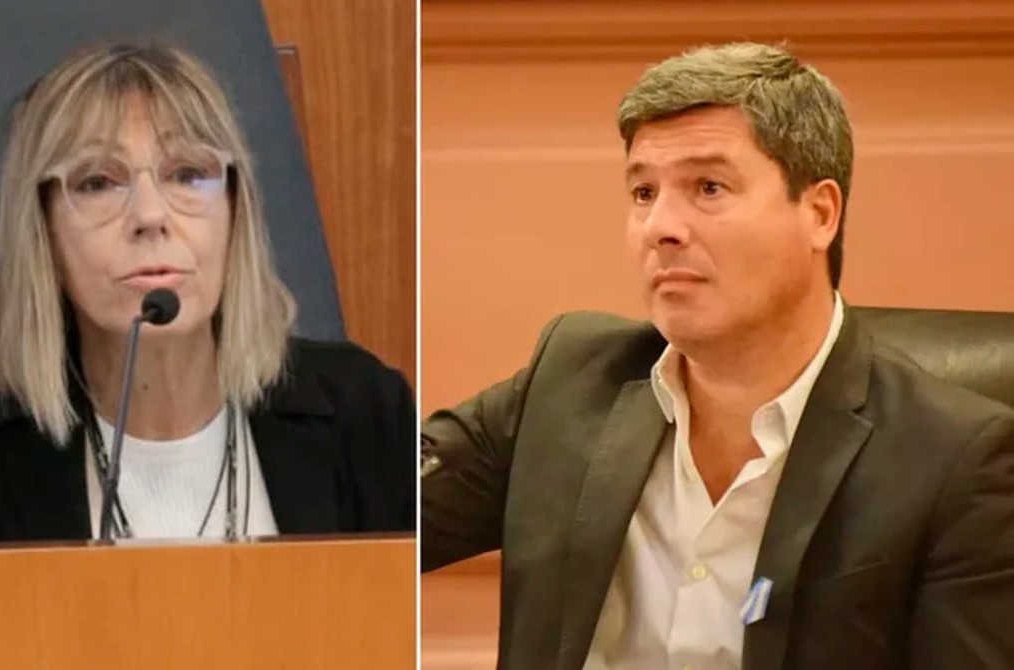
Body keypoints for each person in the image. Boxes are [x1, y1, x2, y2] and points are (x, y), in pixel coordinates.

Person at [421, 42, 1014, 669]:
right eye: (643, 192)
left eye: (708, 187)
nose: (661, 227)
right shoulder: (571, 381)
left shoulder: (953, 462)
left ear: (820, 213)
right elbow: (374, 499)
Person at [0, 41, 414, 543]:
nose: (150, 215)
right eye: (98, 182)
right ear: (43, 230)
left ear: (235, 212)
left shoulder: (364, 414)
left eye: (188, 174)